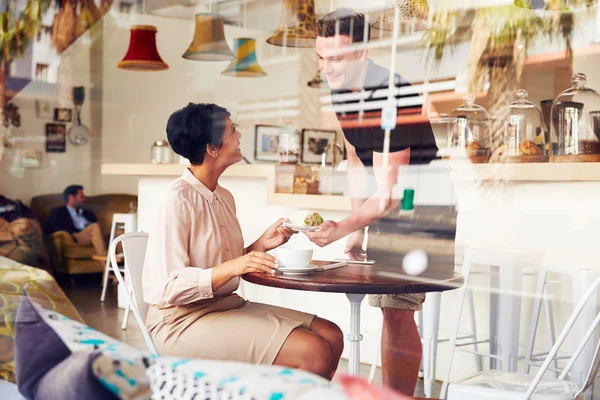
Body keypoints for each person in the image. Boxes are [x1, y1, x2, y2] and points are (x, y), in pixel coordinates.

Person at [142, 103, 344, 379]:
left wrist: (259, 246)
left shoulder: (224, 197)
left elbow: (225, 266)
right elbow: (170, 287)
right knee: (314, 352)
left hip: (226, 305)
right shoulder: (177, 200)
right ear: (212, 148)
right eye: (232, 130)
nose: (239, 136)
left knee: (332, 335)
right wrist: (239, 264)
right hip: (181, 320)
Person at [305, 8, 439, 395]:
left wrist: (342, 228)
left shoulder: (392, 95)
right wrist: (354, 227)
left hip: (424, 207)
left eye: (335, 58)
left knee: (397, 308)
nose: (326, 68)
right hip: (387, 205)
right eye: (320, 56)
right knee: (388, 307)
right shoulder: (340, 91)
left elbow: (391, 192)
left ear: (362, 53)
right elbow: (354, 160)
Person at [44, 185, 107, 256]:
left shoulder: (88, 213)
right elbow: (48, 228)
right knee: (94, 226)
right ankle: (103, 256)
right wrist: (73, 233)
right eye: (81, 197)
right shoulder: (58, 211)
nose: (84, 199)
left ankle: (121, 265)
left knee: (118, 233)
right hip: (77, 237)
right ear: (71, 197)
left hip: (93, 236)